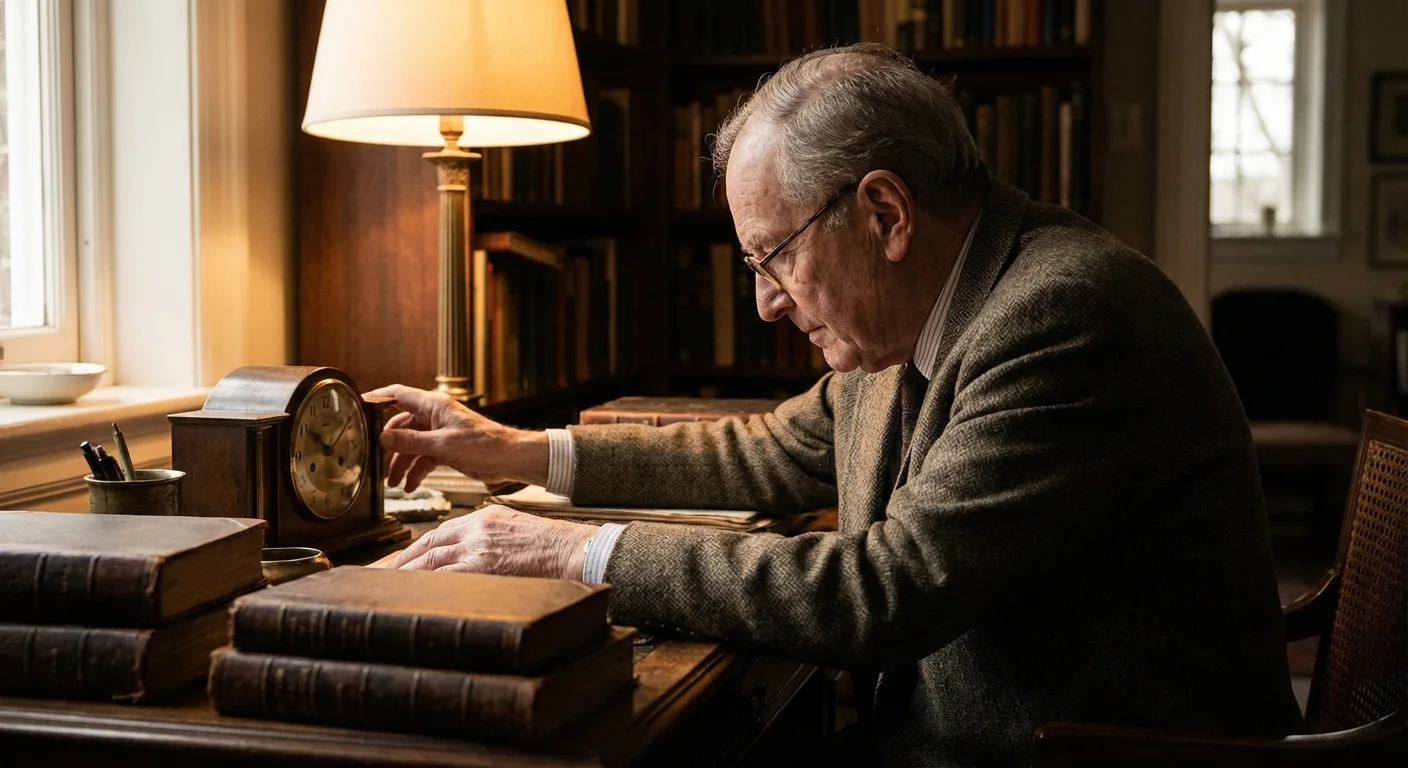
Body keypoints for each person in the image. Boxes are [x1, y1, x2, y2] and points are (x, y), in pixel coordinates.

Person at [367, 43, 1302, 766]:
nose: (765, 303)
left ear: (885, 214)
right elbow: (769, 450)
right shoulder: (925, 303)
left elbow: (881, 592)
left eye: (772, 256)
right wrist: (517, 451)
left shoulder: (1062, 316)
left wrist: (573, 554)